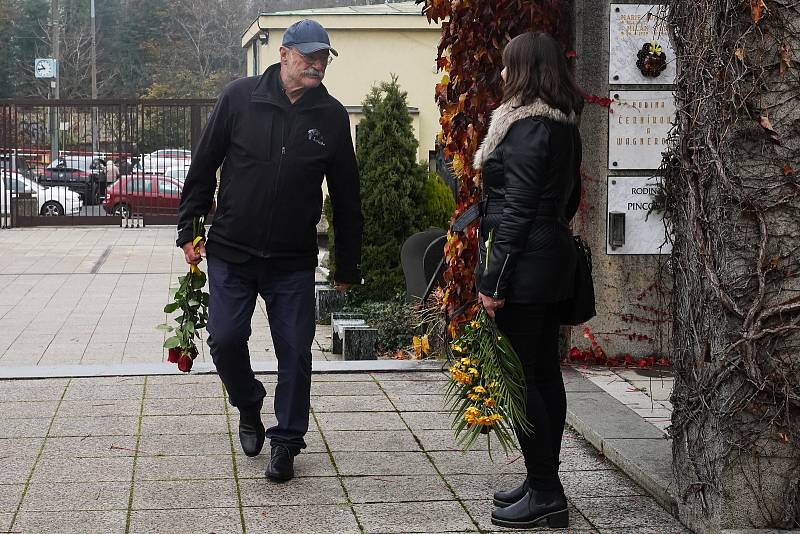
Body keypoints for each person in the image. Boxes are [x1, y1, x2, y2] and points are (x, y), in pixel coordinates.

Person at [176, 19, 362, 482]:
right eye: (309, 56)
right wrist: (189, 231)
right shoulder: (239, 98)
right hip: (232, 252)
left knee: (296, 351)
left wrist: (347, 263)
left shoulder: (332, 117)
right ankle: (248, 401)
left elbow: (346, 196)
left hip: (291, 260)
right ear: (284, 54)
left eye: (324, 57)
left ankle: (286, 442)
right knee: (222, 339)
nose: (318, 64)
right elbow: (203, 167)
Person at [472, 32, 583, 529]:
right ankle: (544, 482)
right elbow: (570, 199)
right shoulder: (562, 127)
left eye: (506, 65)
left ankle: (545, 492)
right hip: (549, 260)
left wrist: (493, 281)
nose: (500, 74)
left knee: (524, 380)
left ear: (523, 70)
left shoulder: (526, 128)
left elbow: (514, 211)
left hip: (525, 270)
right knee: (543, 374)